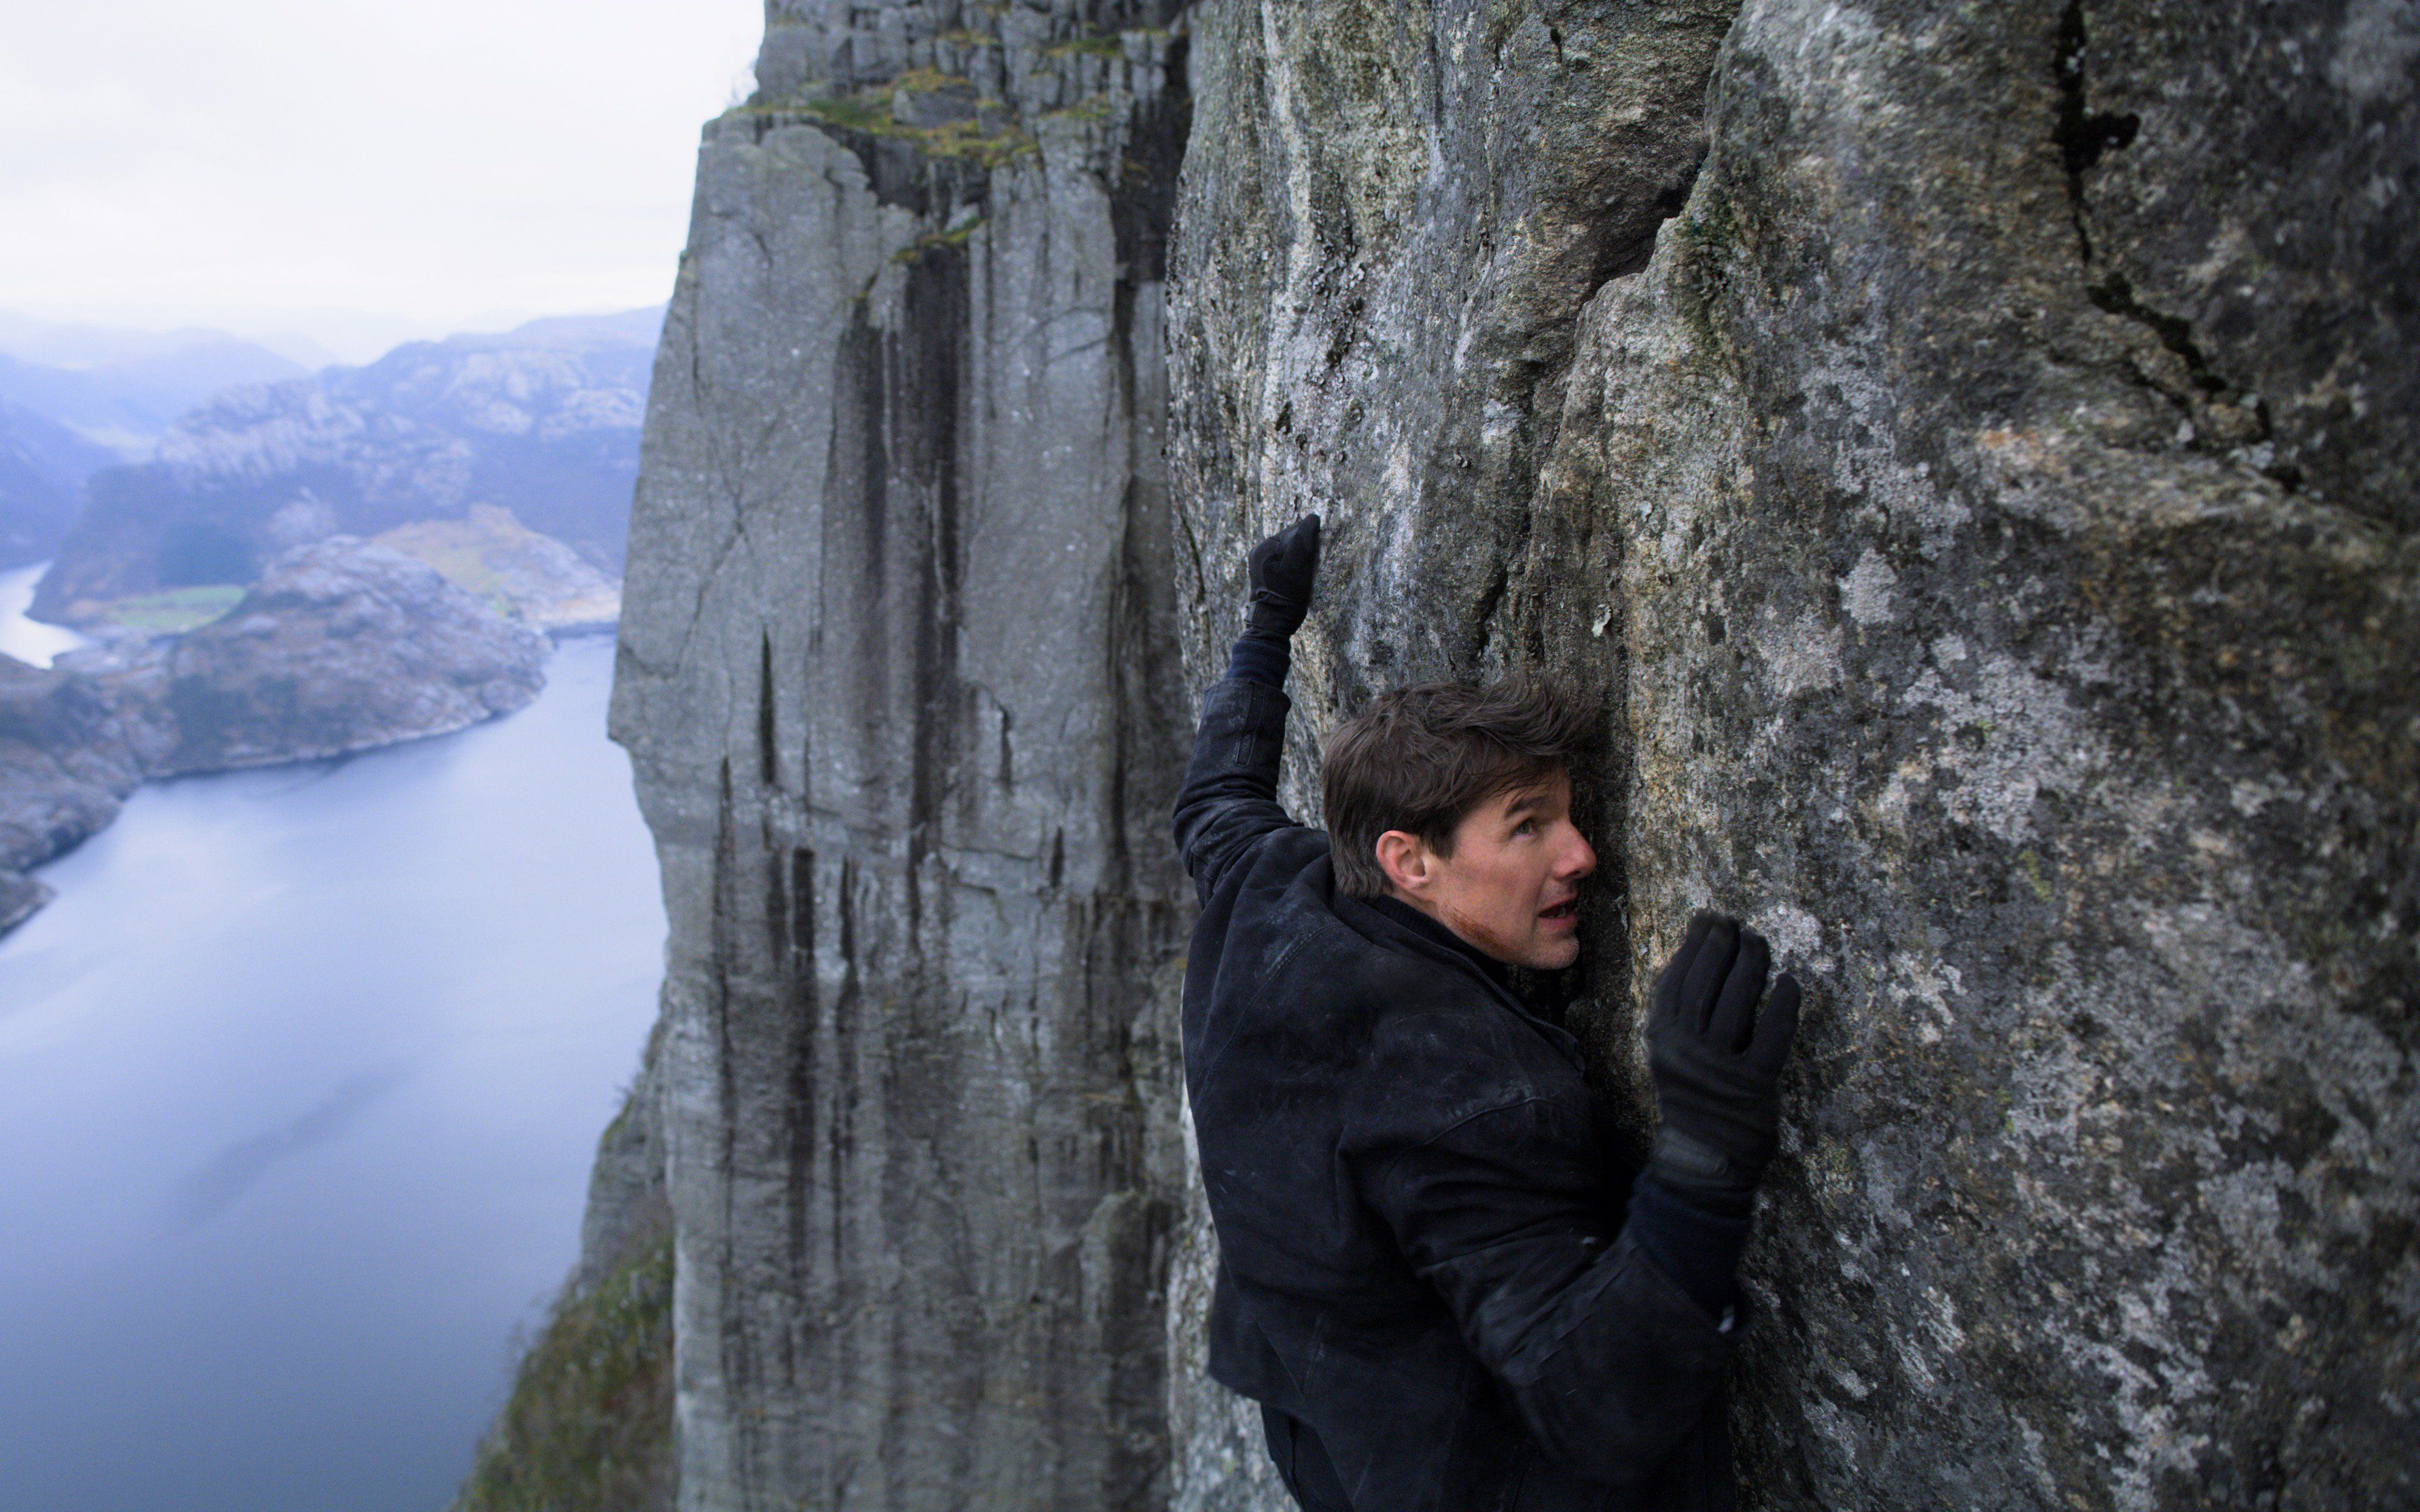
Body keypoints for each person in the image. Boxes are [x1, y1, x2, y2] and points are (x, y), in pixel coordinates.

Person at [1175, 516, 1801, 1511]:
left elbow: (1214, 802)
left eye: (1568, 815)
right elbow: (1598, 1400)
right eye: (1527, 828)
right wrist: (1707, 1156)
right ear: (1406, 860)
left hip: (1318, 1424)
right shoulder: (1464, 1090)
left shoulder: (1272, 887)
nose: (1581, 857)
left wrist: (1266, 628)